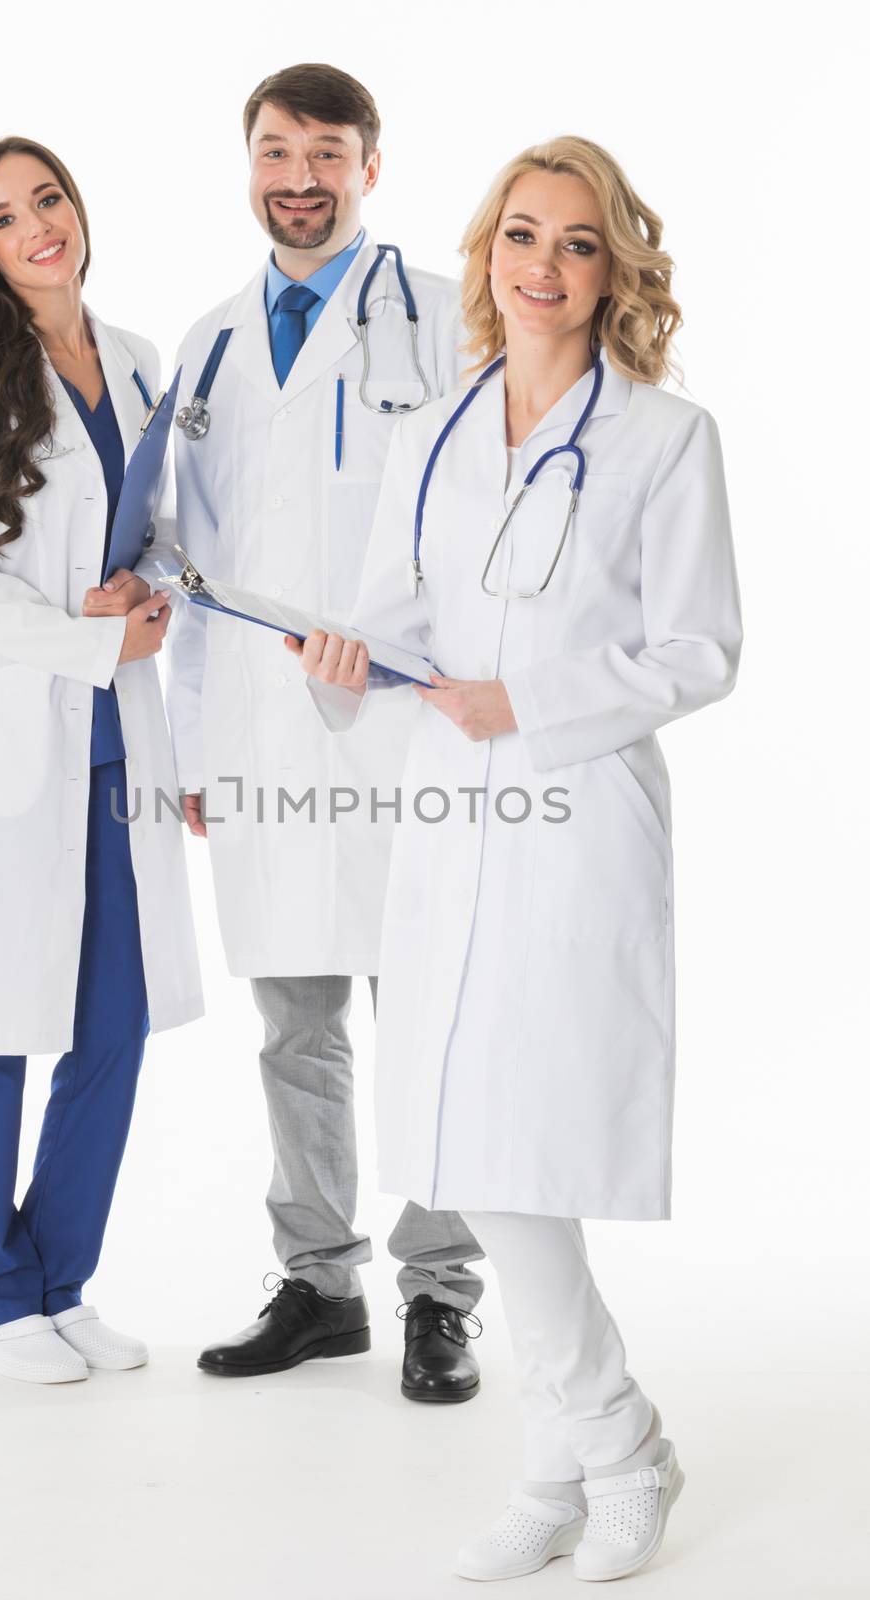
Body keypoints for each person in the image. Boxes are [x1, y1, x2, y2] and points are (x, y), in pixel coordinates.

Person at [292, 136, 741, 1580]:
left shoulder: (665, 440)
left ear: (615, 270)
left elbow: (698, 649)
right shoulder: (434, 426)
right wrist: (345, 659)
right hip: (443, 816)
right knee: (468, 1135)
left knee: (518, 1128)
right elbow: (391, 617)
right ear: (485, 252)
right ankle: (581, 1452)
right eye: (518, 236)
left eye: (575, 242)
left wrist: (526, 704)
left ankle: (601, 1445)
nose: (540, 265)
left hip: (571, 813)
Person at [166, 63, 485, 1399]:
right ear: (247, 162)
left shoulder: (442, 318)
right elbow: (188, 558)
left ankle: (439, 1296)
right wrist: (192, 749)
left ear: (371, 166)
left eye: (326, 152)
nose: (298, 176)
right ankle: (317, 1287)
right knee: (294, 1031)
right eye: (274, 150)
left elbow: (482, 516)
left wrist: (398, 630)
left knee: (430, 1022)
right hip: (261, 740)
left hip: (406, 728)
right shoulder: (213, 341)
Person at [0, 137, 203, 1384]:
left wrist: (159, 591)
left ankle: (61, 1281)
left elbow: (171, 527)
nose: (37, 226)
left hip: (117, 735)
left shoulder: (133, 359)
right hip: (15, 731)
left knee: (114, 1024)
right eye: (6, 216)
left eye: (49, 200)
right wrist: (88, 635)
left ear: (78, 210)